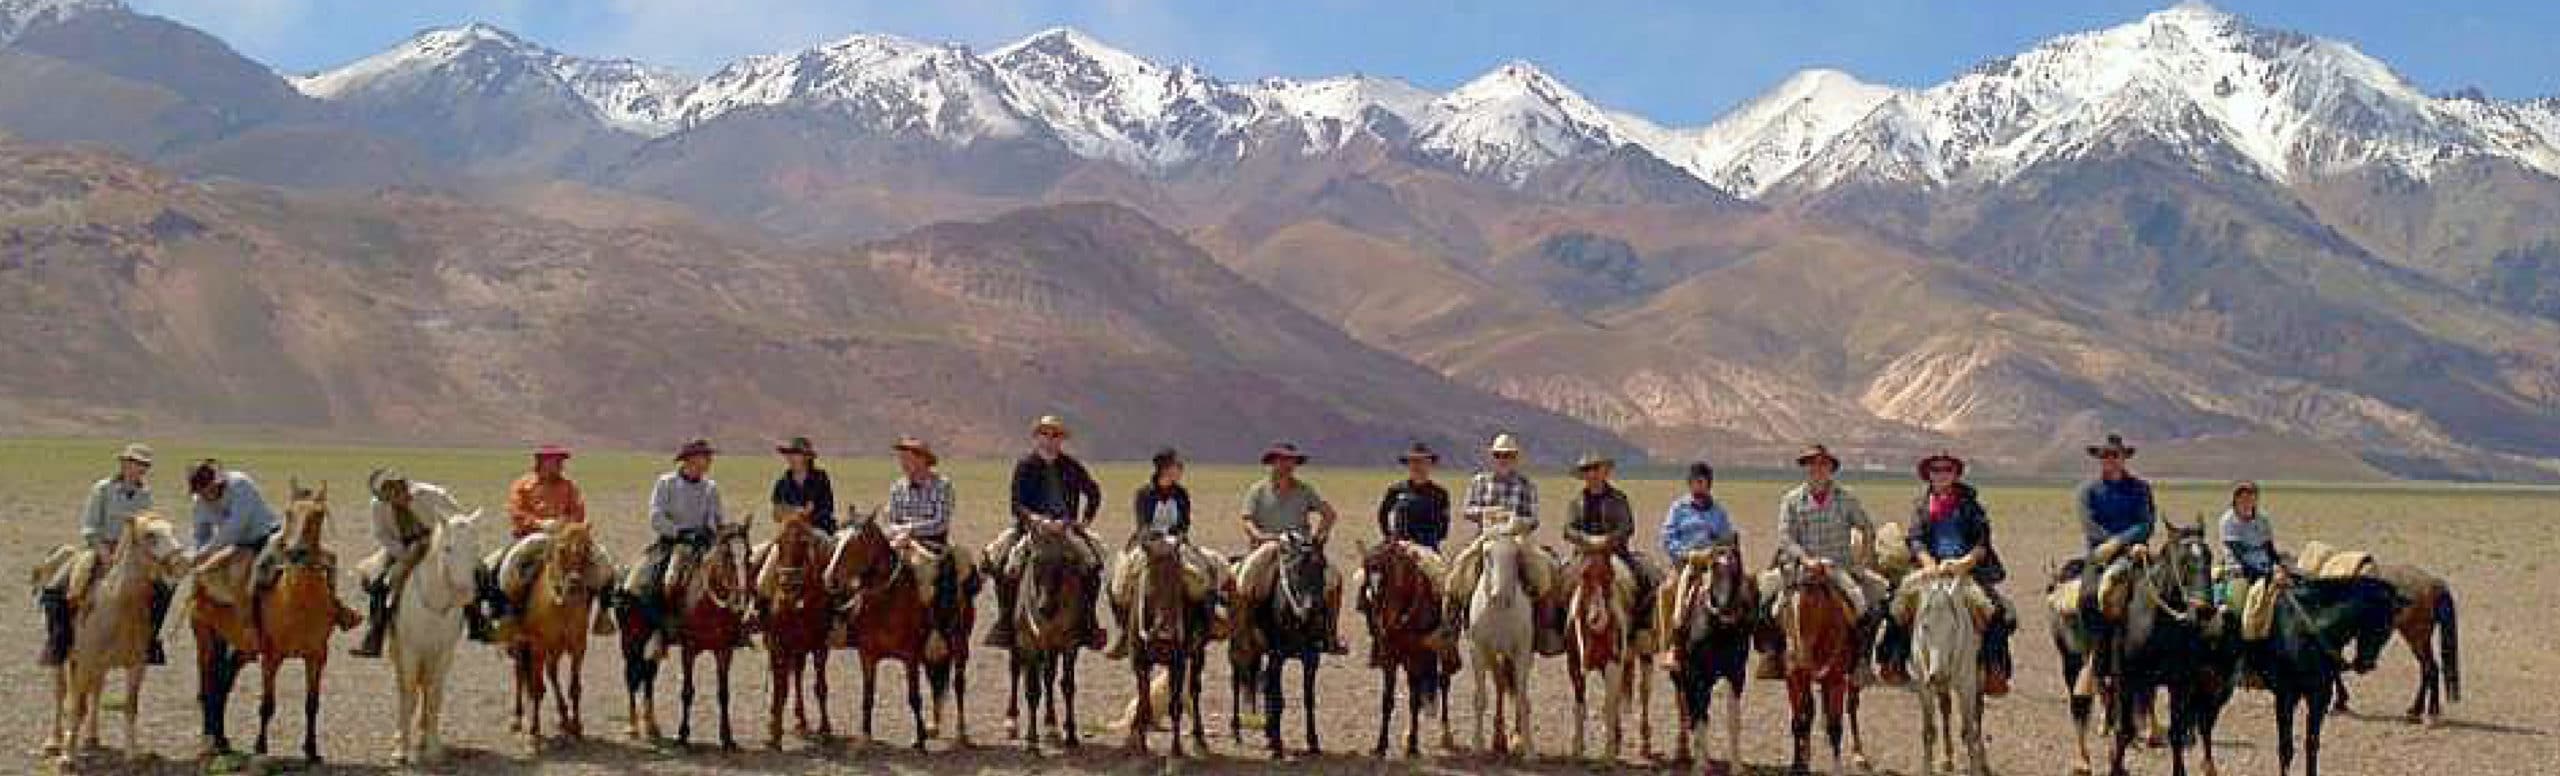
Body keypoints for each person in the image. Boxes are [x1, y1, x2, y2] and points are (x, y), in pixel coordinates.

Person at [1878, 452, 2013, 695]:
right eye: (1936, 470)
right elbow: (1916, 539)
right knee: (1896, 605)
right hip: (1929, 568)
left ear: (1955, 474)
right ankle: (1893, 661)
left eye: (1946, 470)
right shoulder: (1921, 505)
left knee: (1996, 610)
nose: (1941, 474)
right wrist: (1928, 564)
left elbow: (1982, 542)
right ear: (1928, 475)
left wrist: (1964, 563)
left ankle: (1995, 669)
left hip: (1966, 569)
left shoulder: (1971, 505)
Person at [189, 459, 356, 650]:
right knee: (217, 575)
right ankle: (241, 624)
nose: (205, 494)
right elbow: (200, 532)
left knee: (326, 559)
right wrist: (199, 553)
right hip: (239, 544)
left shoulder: (240, 485)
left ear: (216, 482)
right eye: (201, 491)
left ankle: (335, 607)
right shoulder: (200, 502)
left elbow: (236, 526)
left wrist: (207, 550)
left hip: (266, 535)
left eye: (208, 488)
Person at [1756, 444, 1885, 680]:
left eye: (1823, 464)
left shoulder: (1846, 499)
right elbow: (1785, 537)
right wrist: (1806, 559)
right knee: (1764, 599)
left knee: (1868, 604)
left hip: (1838, 567)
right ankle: (1773, 655)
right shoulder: (1792, 500)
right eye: (1812, 464)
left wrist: (1863, 561)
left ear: (1831, 469)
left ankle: (1861, 661)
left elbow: (1866, 527)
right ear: (1806, 468)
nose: (1817, 469)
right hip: (1800, 569)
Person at [984, 415, 1106, 650]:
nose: (1050, 440)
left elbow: (1093, 492)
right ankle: (1006, 622)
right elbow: (1016, 504)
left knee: (1093, 564)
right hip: (1032, 529)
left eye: (1055, 435)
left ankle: (1088, 622)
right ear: (1037, 437)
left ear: (1061, 440)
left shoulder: (1071, 465)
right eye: (1045, 434)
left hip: (1065, 529)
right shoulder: (1026, 465)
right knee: (1001, 563)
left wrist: (1084, 522)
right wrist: (1035, 519)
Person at [38, 444, 166, 666]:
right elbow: (90, 526)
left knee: (164, 589)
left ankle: (150, 641)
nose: (139, 469)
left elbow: (146, 526)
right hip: (99, 547)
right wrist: (104, 552)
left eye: (144, 465)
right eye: (135, 463)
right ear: (124, 464)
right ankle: (58, 643)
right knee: (56, 588)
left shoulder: (146, 494)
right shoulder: (102, 489)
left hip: (132, 553)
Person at [352, 470, 489, 657]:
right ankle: (374, 636)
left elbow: (457, 517)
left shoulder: (430, 494)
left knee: (477, 571)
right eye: (385, 494)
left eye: (393, 490)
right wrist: (401, 552)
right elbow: (381, 533)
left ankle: (478, 622)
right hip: (403, 546)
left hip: (439, 543)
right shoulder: (378, 506)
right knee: (381, 583)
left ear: (399, 484)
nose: (392, 497)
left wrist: (448, 539)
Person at [1105, 448, 1224, 659]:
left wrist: (1176, 539)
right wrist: (1154, 541)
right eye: (1176, 466)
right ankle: (1124, 631)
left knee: (1202, 575)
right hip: (1147, 545)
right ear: (1164, 468)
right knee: (1119, 581)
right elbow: (1142, 524)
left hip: (1177, 545)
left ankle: (1206, 624)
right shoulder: (1144, 493)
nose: (1180, 470)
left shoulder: (1181, 494)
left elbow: (1184, 523)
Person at [1441, 433, 1557, 646]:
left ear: (1515, 458)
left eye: (1508, 455)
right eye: (1499, 455)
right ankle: (1450, 626)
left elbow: (1533, 518)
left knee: (1542, 569)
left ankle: (1545, 628)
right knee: (1458, 569)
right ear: (1492, 457)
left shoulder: (1526, 484)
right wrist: (1485, 512)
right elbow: (1468, 509)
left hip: (1517, 539)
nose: (1503, 459)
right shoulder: (1480, 481)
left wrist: (1516, 521)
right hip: (1486, 538)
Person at [1233, 442, 1347, 654]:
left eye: (1291, 461)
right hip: (1268, 546)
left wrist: (1317, 538)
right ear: (1273, 463)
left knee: (1334, 578)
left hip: (1299, 549)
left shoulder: (1305, 490)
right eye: (1282, 460)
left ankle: (1330, 633)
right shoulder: (1258, 491)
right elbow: (1247, 520)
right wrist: (1260, 536)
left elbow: (1329, 514)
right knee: (1244, 580)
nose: (1287, 465)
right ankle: (1243, 631)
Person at [629, 439, 726, 655]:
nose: (708, 461)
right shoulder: (666, 483)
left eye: (708, 457)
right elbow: (656, 516)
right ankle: (662, 629)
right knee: (664, 580)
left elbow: (716, 516)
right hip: (674, 543)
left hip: (704, 544)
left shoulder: (710, 488)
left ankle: (733, 628)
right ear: (689, 459)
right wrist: (678, 532)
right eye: (704, 456)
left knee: (730, 574)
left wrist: (708, 530)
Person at [483, 444, 588, 643]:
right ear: (541, 462)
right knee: (497, 565)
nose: (559, 466)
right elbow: (516, 511)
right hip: (530, 537)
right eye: (555, 461)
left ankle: (602, 614)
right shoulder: (523, 485)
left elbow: (579, 511)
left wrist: (565, 524)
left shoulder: (569, 486)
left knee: (601, 564)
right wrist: (538, 523)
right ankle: (502, 614)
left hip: (564, 537)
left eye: (561, 462)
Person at [1560, 453, 1660, 652]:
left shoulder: (1618, 499)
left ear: (1605, 472)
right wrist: (1586, 540)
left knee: (1647, 577)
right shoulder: (1576, 502)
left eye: (1596, 469)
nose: (1592, 474)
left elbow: (1627, 527)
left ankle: (1641, 630)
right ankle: (1562, 631)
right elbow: (1568, 529)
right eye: (1588, 470)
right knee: (1561, 582)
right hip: (1584, 555)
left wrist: (1609, 540)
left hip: (1615, 553)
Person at [1655, 461, 1738, 670]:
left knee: (1737, 590)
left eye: (1702, 482)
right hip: (1687, 564)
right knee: (1667, 591)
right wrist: (1686, 554)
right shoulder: (1678, 508)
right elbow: (1668, 537)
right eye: (1694, 482)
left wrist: (1718, 549)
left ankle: (1736, 643)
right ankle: (1671, 646)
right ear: (1689, 484)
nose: (1698, 486)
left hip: (1713, 564)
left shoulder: (1718, 511)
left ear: (1709, 484)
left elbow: (1727, 537)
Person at [2072, 434, 2156, 634]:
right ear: (2099, 459)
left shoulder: (2140, 488)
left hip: (2135, 552)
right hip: (2100, 554)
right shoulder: (2087, 491)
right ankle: (2094, 649)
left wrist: (2122, 541)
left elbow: (2146, 523)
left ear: (2123, 458)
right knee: (2088, 597)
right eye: (2105, 455)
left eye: (2115, 455)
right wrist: (2110, 544)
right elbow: (2089, 524)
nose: (2110, 459)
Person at [770, 436, 837, 534]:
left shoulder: (820, 478)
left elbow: (828, 509)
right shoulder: (782, 484)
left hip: (820, 529)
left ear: (807, 457)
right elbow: (776, 514)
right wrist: (796, 512)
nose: (791, 458)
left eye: (796, 454)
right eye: (789, 454)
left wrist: (807, 516)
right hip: (790, 532)